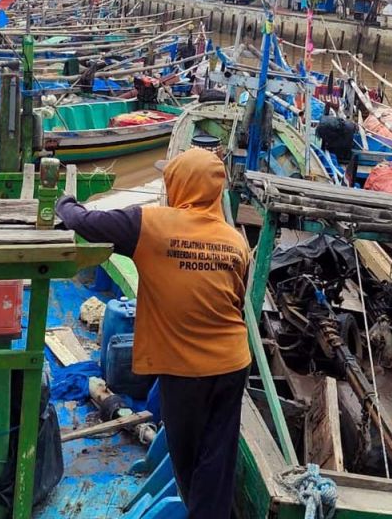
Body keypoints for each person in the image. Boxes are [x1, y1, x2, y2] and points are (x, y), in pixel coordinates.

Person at [55, 148, 250, 519]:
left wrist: (63, 202)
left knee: (188, 457)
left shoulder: (149, 224)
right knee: (217, 458)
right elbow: (235, 299)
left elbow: (86, 221)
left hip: (184, 369)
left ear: (180, 185)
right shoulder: (235, 239)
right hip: (232, 363)